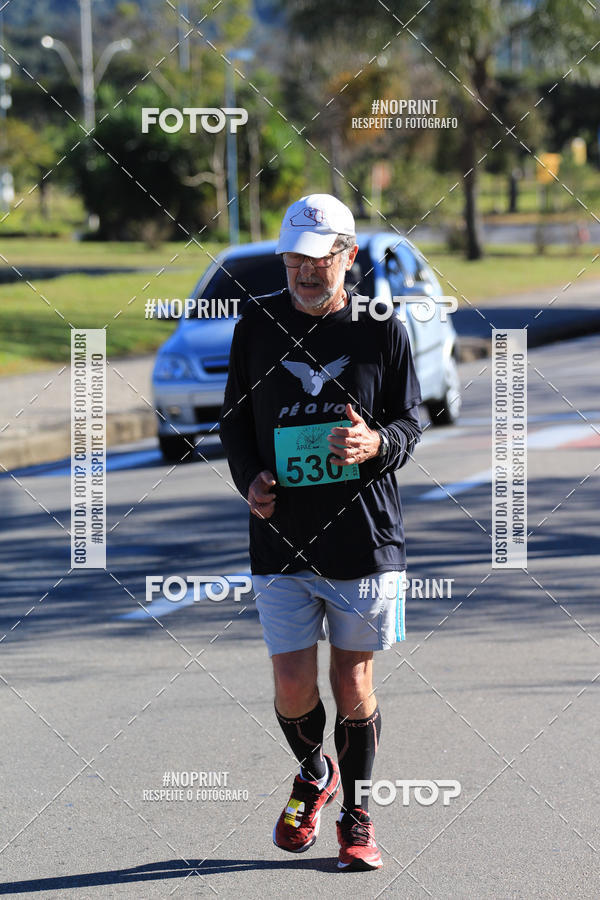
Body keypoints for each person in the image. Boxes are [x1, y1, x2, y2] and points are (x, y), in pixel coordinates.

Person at [219, 193, 422, 871]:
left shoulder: (381, 326)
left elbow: (412, 420)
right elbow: (234, 425)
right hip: (281, 539)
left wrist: (376, 442)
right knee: (291, 687)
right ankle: (314, 770)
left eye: (320, 259)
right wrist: (248, 478)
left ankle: (357, 816)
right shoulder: (257, 327)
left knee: (352, 683)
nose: (306, 273)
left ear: (349, 257)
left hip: (363, 539)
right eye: (294, 260)